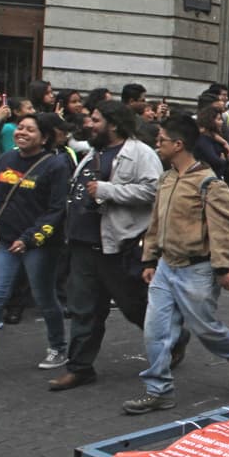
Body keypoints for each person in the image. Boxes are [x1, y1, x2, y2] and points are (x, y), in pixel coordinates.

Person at [123, 114, 229, 414]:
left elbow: (224, 230)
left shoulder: (210, 184)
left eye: (161, 141)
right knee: (154, 330)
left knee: (206, 329)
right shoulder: (167, 178)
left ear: (178, 144)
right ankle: (159, 389)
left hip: (197, 271)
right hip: (165, 268)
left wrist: (222, 269)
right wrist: (150, 258)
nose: (157, 146)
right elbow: (156, 222)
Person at [49, 101, 162, 391]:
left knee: (134, 306)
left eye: (95, 120)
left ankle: (174, 340)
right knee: (84, 309)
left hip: (117, 247)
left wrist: (107, 191)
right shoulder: (92, 154)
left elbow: (153, 190)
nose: (89, 124)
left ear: (112, 123)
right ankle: (80, 368)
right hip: (83, 247)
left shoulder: (140, 153)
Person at [0, 114, 71, 377]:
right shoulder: (5, 160)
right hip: (5, 242)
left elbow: (56, 210)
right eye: (20, 128)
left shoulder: (56, 165)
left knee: (44, 297)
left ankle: (58, 346)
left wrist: (29, 238)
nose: (22, 132)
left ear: (45, 137)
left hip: (38, 245)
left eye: (30, 129)